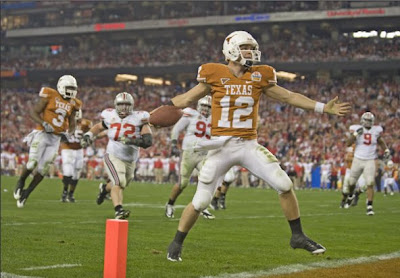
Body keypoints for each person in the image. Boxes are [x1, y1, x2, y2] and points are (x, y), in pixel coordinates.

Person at [165, 30, 351, 261]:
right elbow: (185, 99)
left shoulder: (259, 76)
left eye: (252, 48)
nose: (251, 52)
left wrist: (323, 107)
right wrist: (152, 116)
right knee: (201, 201)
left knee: (284, 184)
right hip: (221, 147)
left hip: (247, 144)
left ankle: (298, 236)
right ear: (231, 50)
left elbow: (289, 96)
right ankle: (176, 242)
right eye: (246, 48)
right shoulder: (214, 73)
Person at [81, 92, 152, 219]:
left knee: (122, 183)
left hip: (130, 159)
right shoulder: (109, 115)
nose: (124, 107)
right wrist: (89, 135)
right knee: (119, 181)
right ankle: (119, 210)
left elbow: (147, 142)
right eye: (121, 104)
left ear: (132, 105)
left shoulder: (140, 117)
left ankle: (104, 189)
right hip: (113, 154)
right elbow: (99, 127)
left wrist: (132, 140)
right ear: (115, 105)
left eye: (127, 104)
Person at [14, 75, 80, 208]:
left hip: (55, 139)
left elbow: (73, 123)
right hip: (42, 134)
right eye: (69, 88)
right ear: (61, 87)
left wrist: (69, 133)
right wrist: (44, 123)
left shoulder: (74, 103)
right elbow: (33, 112)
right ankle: (21, 181)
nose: (71, 91)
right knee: (32, 163)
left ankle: (27, 193)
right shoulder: (50, 95)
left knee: (43, 170)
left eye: (73, 88)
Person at [165, 96, 215, 220]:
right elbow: (177, 129)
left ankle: (202, 206)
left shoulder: (214, 120)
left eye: (208, 107)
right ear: (198, 106)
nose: (205, 109)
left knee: (207, 179)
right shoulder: (190, 114)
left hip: (203, 155)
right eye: (204, 106)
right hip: (189, 153)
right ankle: (170, 204)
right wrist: (173, 143)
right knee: (182, 183)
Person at [344, 112, 390, 215]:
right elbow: (348, 143)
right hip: (357, 159)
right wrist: (355, 135)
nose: (368, 123)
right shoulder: (357, 129)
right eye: (367, 120)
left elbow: (381, 141)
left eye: (370, 121)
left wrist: (386, 150)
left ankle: (369, 206)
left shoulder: (376, 131)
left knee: (370, 183)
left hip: (370, 160)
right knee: (351, 183)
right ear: (362, 121)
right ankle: (351, 195)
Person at [60, 109, 93, 202]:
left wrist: (87, 140)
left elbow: (91, 136)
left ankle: (71, 194)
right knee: (68, 171)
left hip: (79, 150)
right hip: (67, 149)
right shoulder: (64, 122)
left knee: (77, 172)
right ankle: (65, 191)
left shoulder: (85, 123)